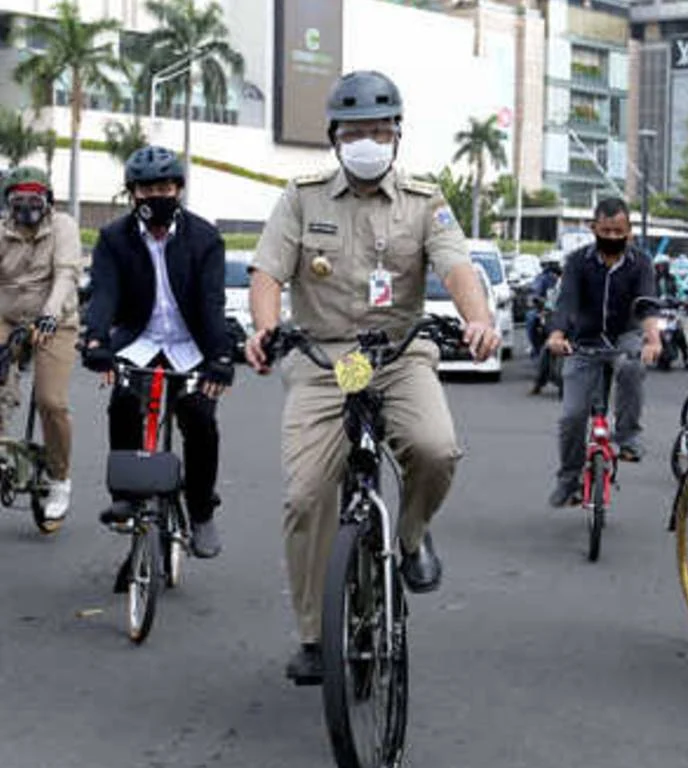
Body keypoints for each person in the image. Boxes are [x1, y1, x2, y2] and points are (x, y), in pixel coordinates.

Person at [244, 70, 500, 685]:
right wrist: (263, 327)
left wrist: (479, 319)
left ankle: (410, 538)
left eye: (379, 129)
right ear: (334, 137)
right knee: (307, 495)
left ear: (397, 135)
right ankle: (313, 636)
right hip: (326, 360)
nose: (369, 139)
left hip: (398, 354)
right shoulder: (302, 196)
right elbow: (267, 272)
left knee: (436, 450)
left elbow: (457, 265)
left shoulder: (425, 199)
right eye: (356, 130)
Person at [82, 145, 233, 561]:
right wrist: (95, 341)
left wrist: (220, 357)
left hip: (191, 345)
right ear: (132, 194)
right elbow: (104, 294)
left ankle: (202, 510)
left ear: (179, 189)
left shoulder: (205, 238)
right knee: (124, 400)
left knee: (199, 416)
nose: (156, 196)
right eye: (146, 189)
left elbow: (211, 302)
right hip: (140, 341)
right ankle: (126, 495)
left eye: (164, 187)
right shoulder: (114, 238)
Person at [546, 198, 661, 507]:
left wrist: (653, 339)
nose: (612, 237)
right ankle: (568, 480)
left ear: (629, 231)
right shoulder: (577, 262)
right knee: (572, 416)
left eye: (618, 231)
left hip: (624, 338)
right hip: (584, 343)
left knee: (632, 366)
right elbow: (566, 302)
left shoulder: (641, 263)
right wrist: (557, 335)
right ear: (593, 228)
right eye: (605, 230)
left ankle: (627, 438)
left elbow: (647, 304)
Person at [0, 166, 82, 530]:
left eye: (35, 199)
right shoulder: (2, 232)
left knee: (51, 401)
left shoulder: (63, 226)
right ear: (7, 203)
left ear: (48, 201)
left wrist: (49, 315)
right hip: (7, 318)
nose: (27, 207)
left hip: (54, 322)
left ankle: (59, 478)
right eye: (19, 200)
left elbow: (66, 273)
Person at [653, 252, 688, 369]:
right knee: (647, 332)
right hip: (657, 312)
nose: (662, 268)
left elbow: (681, 291)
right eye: (659, 266)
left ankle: (687, 358)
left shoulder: (673, 279)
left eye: (664, 265)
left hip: (671, 312)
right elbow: (645, 293)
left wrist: (684, 301)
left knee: (680, 333)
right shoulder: (651, 280)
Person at [525, 255, 562, 358]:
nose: (551, 269)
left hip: (565, 311)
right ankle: (535, 347)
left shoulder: (569, 279)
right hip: (546, 309)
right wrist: (536, 300)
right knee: (531, 318)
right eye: (549, 265)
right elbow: (534, 293)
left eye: (554, 265)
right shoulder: (541, 278)